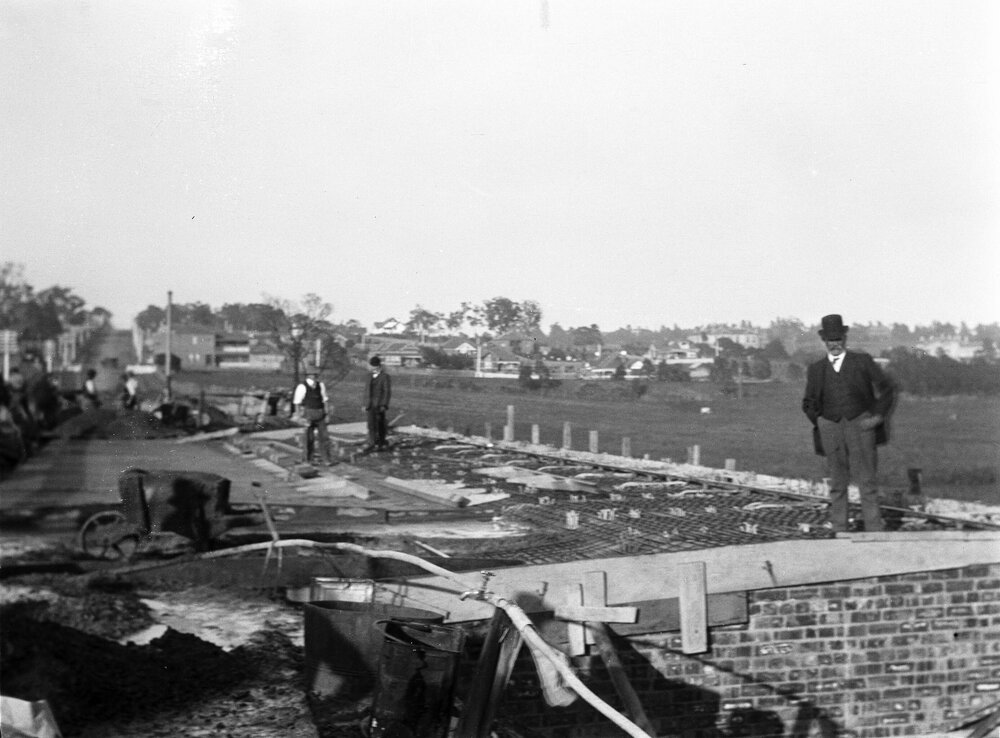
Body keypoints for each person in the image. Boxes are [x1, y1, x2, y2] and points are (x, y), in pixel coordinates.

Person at [802, 314, 897, 533]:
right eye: (830, 340)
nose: (834, 344)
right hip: (830, 428)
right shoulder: (816, 369)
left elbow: (887, 389)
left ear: (844, 338)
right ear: (824, 341)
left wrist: (877, 417)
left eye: (838, 339)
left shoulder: (862, 361)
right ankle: (840, 530)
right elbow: (808, 402)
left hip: (861, 426)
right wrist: (821, 421)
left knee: (867, 481)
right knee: (837, 482)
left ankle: (874, 531)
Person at [292, 368, 334, 466]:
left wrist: (327, 414)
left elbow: (325, 400)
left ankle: (326, 459)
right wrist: (299, 417)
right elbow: (297, 403)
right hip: (308, 415)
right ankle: (308, 459)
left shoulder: (321, 385)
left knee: (324, 438)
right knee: (308, 438)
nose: (314, 376)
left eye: (315, 374)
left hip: (320, 414)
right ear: (308, 375)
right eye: (312, 374)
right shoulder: (302, 387)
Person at [363, 356, 392, 451]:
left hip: (379, 405)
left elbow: (387, 392)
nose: (373, 368)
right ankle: (372, 442)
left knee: (380, 424)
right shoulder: (368, 376)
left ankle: (381, 443)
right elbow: (366, 391)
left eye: (375, 367)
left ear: (379, 366)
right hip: (370, 404)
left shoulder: (385, 377)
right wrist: (364, 404)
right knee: (370, 424)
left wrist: (384, 404)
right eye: (372, 366)